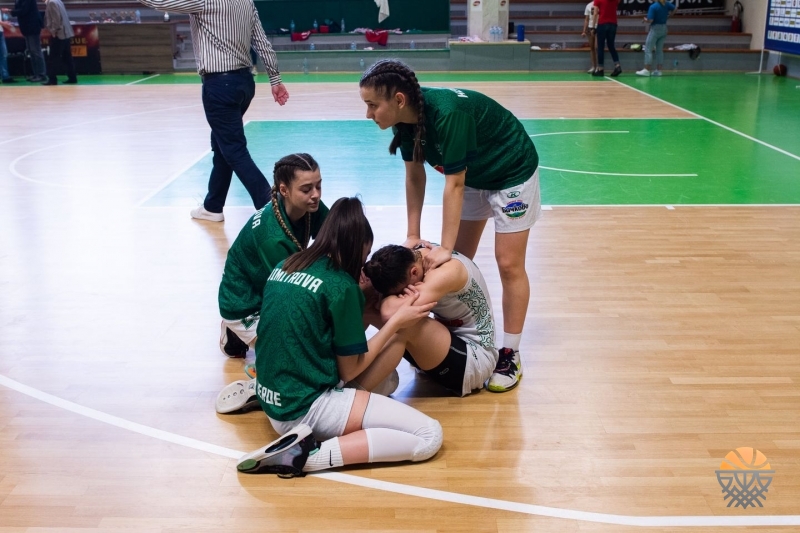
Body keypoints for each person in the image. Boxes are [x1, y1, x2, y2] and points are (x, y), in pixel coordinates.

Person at [224, 197, 442, 477]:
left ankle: (260, 391)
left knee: (388, 381)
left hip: (274, 396)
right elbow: (349, 370)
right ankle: (304, 457)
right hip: (304, 409)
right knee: (429, 435)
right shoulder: (342, 287)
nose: (363, 266)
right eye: (365, 256)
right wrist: (397, 322)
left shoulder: (286, 264)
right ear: (356, 248)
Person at [358, 59, 541, 393]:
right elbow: (415, 176)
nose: (368, 114)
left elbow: (454, 185)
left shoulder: (448, 115)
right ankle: (447, 342)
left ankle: (510, 354)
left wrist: (444, 247)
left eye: (372, 105)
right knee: (454, 266)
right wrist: (413, 234)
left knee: (508, 263)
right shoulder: (405, 121)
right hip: (475, 174)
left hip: (510, 170)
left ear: (398, 100)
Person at [138, 0, 290, 223]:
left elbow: (160, 2)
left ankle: (273, 209)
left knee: (234, 150)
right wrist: (275, 79)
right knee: (222, 145)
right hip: (245, 83)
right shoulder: (246, 2)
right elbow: (261, 42)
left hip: (220, 85)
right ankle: (213, 206)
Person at [218, 153, 328, 358]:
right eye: (306, 189)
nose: (315, 195)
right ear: (284, 190)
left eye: (319, 186)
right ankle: (235, 329)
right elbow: (290, 293)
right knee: (293, 354)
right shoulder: (271, 238)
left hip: (265, 284)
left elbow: (336, 239)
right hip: (242, 302)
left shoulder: (309, 205)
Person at [358, 244, 499, 396]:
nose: (401, 294)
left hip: (475, 362)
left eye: (401, 291)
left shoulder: (444, 272)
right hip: (445, 347)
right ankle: (349, 367)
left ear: (414, 272)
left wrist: (385, 299)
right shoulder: (411, 257)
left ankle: (354, 394)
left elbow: (388, 313)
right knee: (368, 304)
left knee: (402, 324)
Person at [636, 0, 678, 77]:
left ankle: (646, 70)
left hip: (655, 29)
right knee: (659, 51)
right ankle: (659, 70)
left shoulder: (653, 7)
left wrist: (645, 20)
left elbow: (650, 20)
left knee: (648, 49)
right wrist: (669, 16)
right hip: (664, 28)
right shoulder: (666, 4)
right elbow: (675, 9)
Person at [11, 0, 47, 82]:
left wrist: (11, 12)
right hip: (27, 28)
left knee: (36, 51)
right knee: (31, 51)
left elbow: (24, 10)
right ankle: (36, 74)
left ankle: (41, 74)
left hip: (32, 27)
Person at [42, 0, 76, 85]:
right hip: (66, 33)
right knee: (67, 57)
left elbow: (56, 19)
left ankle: (52, 79)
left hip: (59, 34)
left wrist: (53, 31)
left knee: (53, 58)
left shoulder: (51, 3)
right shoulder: (58, 1)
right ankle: (72, 77)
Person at [592, 0, 622, 77]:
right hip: (613, 24)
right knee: (611, 46)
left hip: (602, 23)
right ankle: (617, 65)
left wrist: (593, 27)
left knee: (600, 47)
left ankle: (600, 69)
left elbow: (595, 13)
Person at [582, 2, 598, 74]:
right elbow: (586, 19)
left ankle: (598, 67)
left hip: (599, 27)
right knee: (592, 48)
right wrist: (584, 31)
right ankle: (593, 67)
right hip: (590, 28)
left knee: (596, 47)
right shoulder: (588, 5)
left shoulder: (601, 4)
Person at [1, 16, 17, 83]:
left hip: (0, 31)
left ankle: (5, 76)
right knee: (3, 54)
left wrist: (4, 23)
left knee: (3, 54)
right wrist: (3, 23)